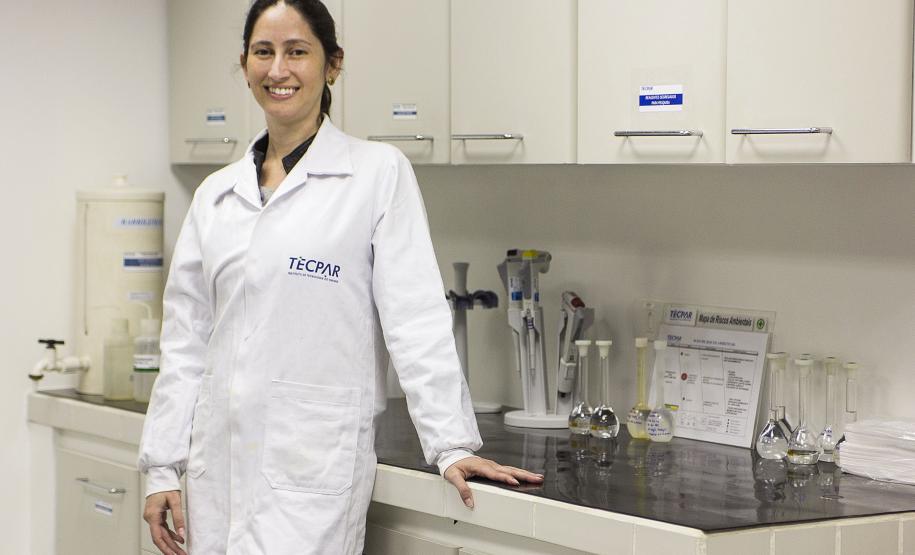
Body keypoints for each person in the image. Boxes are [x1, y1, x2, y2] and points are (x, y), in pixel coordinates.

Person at [138, 1, 543, 553]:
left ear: (333, 64)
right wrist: (161, 464)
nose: (278, 69)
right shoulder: (216, 195)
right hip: (217, 478)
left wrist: (450, 444)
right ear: (245, 64)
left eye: (297, 51)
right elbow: (186, 340)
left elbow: (415, 316)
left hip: (312, 473)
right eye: (264, 52)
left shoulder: (376, 174)